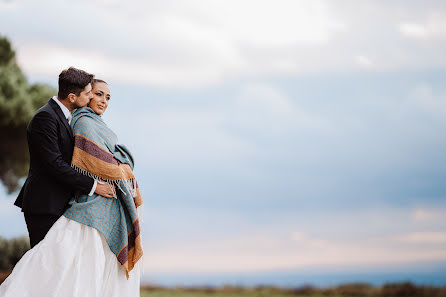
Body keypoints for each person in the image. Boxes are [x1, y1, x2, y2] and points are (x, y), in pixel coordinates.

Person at [0, 78, 143, 297]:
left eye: (108, 97)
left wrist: (121, 162)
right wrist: (100, 181)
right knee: (50, 265)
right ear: (77, 97)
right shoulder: (69, 120)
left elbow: (111, 155)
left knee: (62, 266)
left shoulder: (84, 121)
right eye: (96, 94)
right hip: (46, 203)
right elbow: (72, 162)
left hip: (63, 201)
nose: (103, 101)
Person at [13, 67, 115, 248]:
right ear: (72, 98)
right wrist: (94, 186)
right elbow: (55, 165)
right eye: (88, 93)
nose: (91, 97)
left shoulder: (65, 116)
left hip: (58, 204)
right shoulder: (45, 118)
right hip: (44, 204)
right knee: (43, 264)